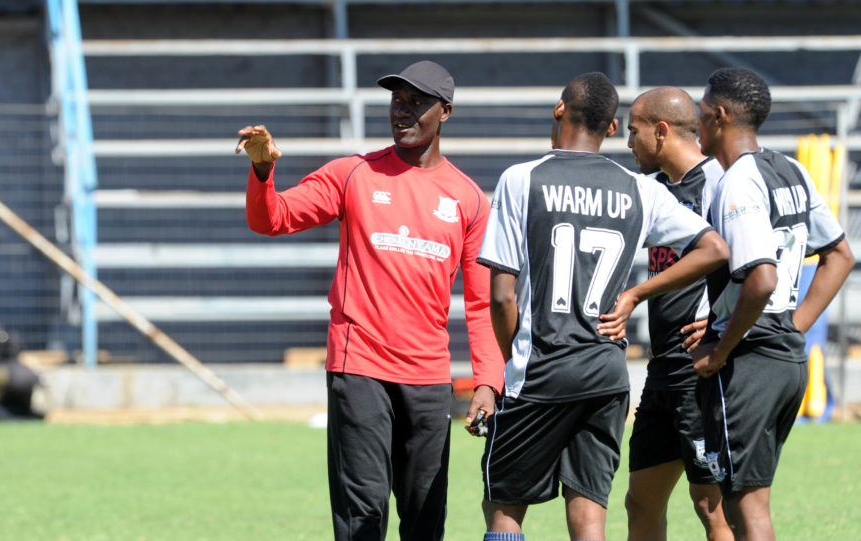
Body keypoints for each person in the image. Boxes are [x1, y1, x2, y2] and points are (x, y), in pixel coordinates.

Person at [236, 60, 503, 541]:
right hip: (358, 366)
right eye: (396, 101)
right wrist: (262, 169)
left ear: (444, 112)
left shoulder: (469, 199)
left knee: (425, 518)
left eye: (416, 103)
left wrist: (488, 380)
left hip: (428, 376)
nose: (402, 112)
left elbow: (482, 303)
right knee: (363, 516)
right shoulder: (352, 173)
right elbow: (271, 218)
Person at [476, 72, 729, 541]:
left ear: (558, 110)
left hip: (542, 368)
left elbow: (501, 295)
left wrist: (516, 356)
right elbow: (714, 248)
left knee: (505, 507)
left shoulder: (521, 179)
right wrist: (635, 296)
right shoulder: (640, 188)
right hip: (608, 372)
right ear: (612, 128)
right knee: (590, 513)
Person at [691, 67, 855, 541]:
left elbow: (761, 280)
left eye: (701, 114)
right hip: (784, 355)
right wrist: (793, 328)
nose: (697, 125)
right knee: (746, 501)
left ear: (719, 116)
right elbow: (840, 255)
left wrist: (720, 351)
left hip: (749, 359)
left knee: (749, 507)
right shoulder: (791, 168)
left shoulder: (738, 182)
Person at [598, 86, 734, 541]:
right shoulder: (652, 191)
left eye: (633, 132)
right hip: (663, 369)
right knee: (641, 501)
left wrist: (726, 325)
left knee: (711, 507)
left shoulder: (720, 183)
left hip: (702, 370)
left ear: (660, 131)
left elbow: (758, 265)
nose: (628, 142)